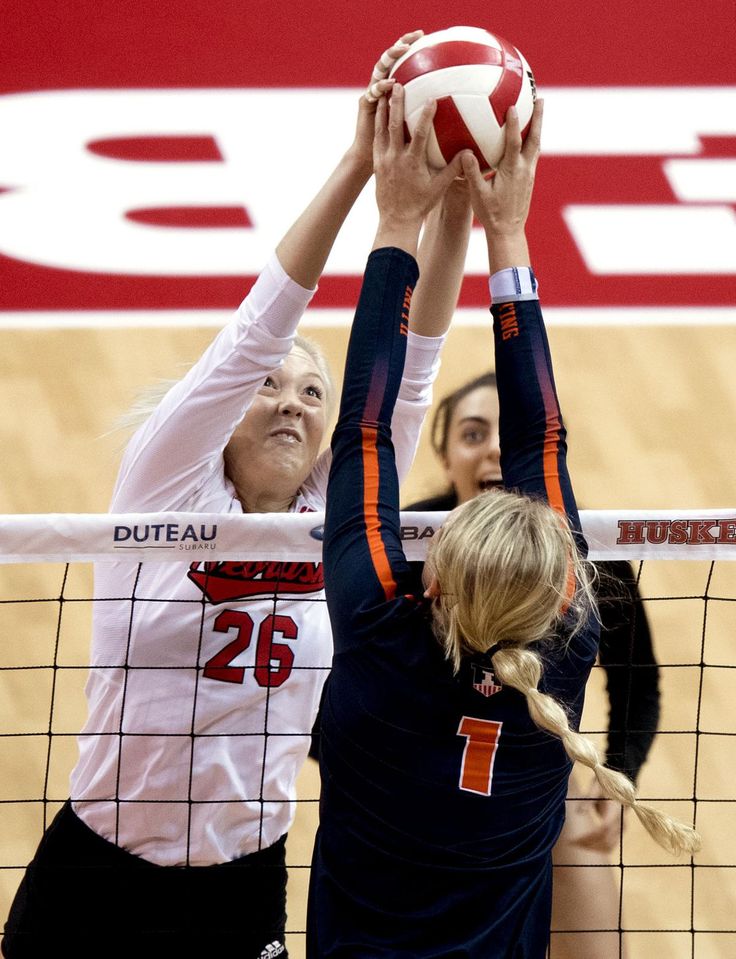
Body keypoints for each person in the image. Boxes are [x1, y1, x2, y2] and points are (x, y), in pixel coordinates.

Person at [1, 31, 471, 959]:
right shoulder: (162, 487)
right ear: (223, 412)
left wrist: (450, 198)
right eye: (270, 387)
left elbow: (413, 368)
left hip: (243, 882)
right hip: (98, 871)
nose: (291, 401)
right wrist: (357, 170)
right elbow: (257, 330)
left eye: (313, 393)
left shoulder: (339, 514)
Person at [307, 87, 699, 957]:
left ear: (430, 576)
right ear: (565, 584)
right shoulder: (554, 659)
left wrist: (403, 215)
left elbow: (382, 428)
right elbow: (530, 439)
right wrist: (498, 228)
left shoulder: (394, 629)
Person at [408, 373, 661, 957]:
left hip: (541, 791)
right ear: (447, 459)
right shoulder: (404, 545)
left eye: (513, 433)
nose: (496, 447)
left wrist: (617, 775)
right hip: (412, 797)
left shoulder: (589, 552)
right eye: (474, 434)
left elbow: (637, 682)